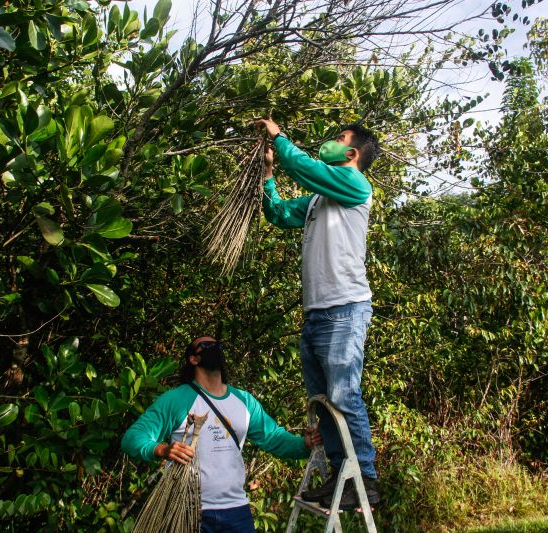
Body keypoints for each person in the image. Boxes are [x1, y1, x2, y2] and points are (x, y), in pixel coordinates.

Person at [253, 117, 380, 510]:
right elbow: (276, 213)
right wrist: (269, 174)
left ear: (353, 152)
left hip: (345, 308)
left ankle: (367, 481)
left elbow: (308, 168)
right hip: (317, 314)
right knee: (324, 401)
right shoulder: (316, 201)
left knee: (344, 396)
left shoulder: (355, 185)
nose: (332, 141)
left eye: (339, 138)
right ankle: (342, 479)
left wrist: (281, 139)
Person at [121, 335, 322, 533]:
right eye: (206, 345)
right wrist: (162, 449)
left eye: (217, 345)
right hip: (187, 509)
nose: (214, 348)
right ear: (193, 358)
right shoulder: (176, 400)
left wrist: (303, 444)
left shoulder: (244, 400)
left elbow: (273, 437)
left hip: (236, 510)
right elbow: (132, 438)